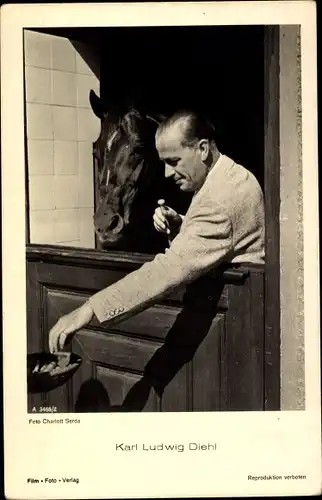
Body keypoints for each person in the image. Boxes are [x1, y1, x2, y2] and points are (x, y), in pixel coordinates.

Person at [48, 110, 265, 353]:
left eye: (173, 161)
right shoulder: (230, 175)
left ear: (203, 149)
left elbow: (167, 270)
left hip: (238, 330)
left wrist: (89, 309)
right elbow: (225, 236)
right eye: (163, 163)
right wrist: (183, 224)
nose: (167, 174)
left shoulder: (220, 200)